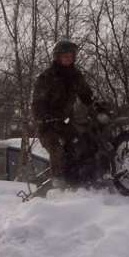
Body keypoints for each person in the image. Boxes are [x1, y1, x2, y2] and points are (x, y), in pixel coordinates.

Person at [32, 39, 94, 187]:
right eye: (65, 56)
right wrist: (44, 116)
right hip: (47, 126)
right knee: (57, 150)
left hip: (65, 123)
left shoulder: (76, 76)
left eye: (71, 56)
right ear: (57, 57)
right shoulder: (47, 77)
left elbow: (86, 94)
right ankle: (58, 183)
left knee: (81, 145)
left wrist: (95, 104)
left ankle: (82, 180)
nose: (68, 59)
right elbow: (37, 103)